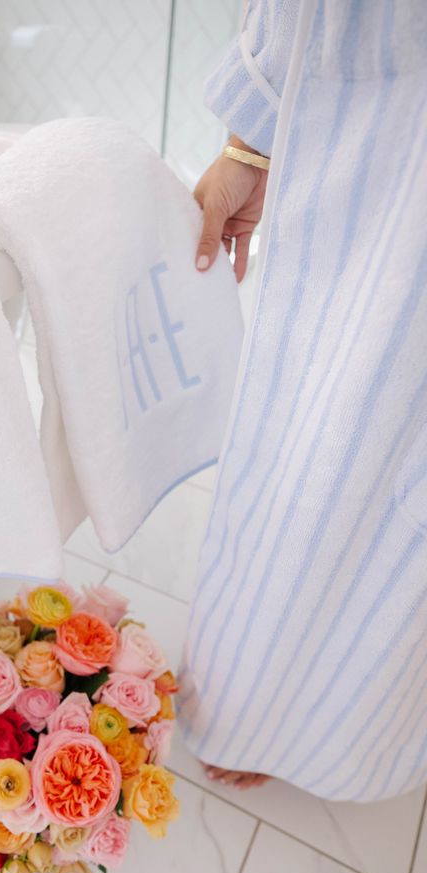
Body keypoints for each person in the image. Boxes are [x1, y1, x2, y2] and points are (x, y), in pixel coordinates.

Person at [179, 0, 427, 799]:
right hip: (388, 180)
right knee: (337, 461)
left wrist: (251, 140)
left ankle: (299, 721)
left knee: (346, 468)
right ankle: (281, 711)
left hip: (388, 187)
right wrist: (250, 144)